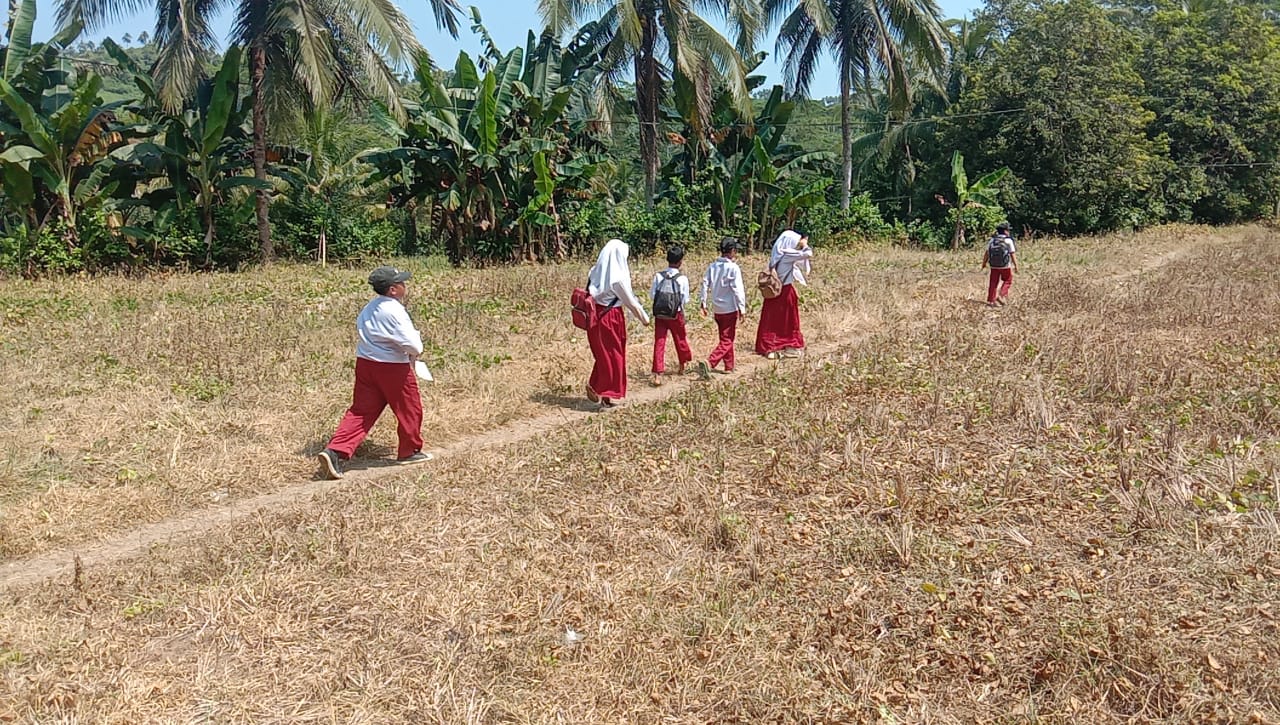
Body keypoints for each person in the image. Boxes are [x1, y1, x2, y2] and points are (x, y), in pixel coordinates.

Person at [318, 266, 433, 480]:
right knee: (410, 408)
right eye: (401, 283)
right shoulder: (396, 310)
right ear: (392, 290)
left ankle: (335, 451)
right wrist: (416, 353)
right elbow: (412, 344)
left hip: (366, 364)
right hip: (392, 367)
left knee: (361, 412)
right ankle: (409, 451)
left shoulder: (369, 308)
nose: (404, 285)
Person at [586, 239, 650, 408]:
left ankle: (604, 393)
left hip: (595, 315)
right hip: (611, 317)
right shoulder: (617, 279)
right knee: (614, 354)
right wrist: (644, 318)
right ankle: (598, 387)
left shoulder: (595, 272)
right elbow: (630, 302)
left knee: (604, 354)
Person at [755, 229, 813, 359]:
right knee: (789, 321)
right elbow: (808, 253)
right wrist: (804, 244)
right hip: (785, 292)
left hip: (773, 292)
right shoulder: (787, 255)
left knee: (771, 321)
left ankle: (770, 347)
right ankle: (789, 346)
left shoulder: (776, 255)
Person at [697, 237, 747, 378]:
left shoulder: (712, 267)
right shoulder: (733, 268)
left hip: (717, 308)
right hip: (730, 308)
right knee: (728, 339)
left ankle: (729, 366)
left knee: (724, 337)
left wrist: (704, 302)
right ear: (732, 251)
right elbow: (738, 290)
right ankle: (710, 362)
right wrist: (742, 308)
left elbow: (705, 284)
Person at [649, 245, 692, 385]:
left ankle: (658, 373)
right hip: (675, 314)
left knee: (659, 341)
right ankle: (683, 364)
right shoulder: (682, 279)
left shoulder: (658, 276)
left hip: (660, 314)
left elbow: (652, 296)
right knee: (680, 339)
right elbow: (685, 300)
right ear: (681, 261)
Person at [982, 222, 1018, 306]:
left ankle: (991, 300)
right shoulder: (1008, 241)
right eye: (1008, 230)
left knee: (993, 281)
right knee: (1008, 280)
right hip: (1005, 265)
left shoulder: (992, 240)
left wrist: (983, 263)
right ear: (1005, 231)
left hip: (993, 265)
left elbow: (987, 253)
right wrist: (1016, 265)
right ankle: (1001, 295)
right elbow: (1012, 254)